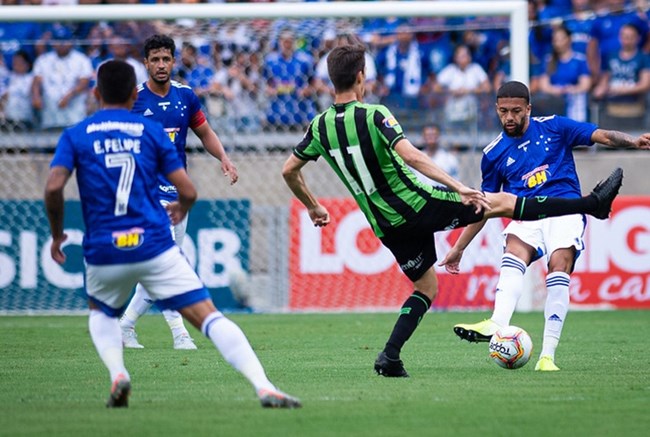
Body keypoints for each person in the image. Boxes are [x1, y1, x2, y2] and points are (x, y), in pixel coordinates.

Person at [281, 44, 624, 378]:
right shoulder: (374, 114)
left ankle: (390, 356)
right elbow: (411, 155)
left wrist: (312, 205)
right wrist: (457, 186)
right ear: (361, 76)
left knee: (426, 288)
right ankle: (589, 204)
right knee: (501, 202)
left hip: (385, 225)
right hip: (418, 203)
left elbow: (289, 170)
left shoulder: (319, 126)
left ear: (330, 79)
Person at [43, 60, 300, 409]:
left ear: (96, 93)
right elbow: (188, 190)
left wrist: (57, 235)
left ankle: (118, 372)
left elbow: (53, 188)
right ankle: (263, 385)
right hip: (152, 243)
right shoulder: (150, 132)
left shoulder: (75, 135)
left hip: (103, 248)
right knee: (210, 317)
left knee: (101, 313)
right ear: (134, 94)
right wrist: (183, 206)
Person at [440, 80, 650, 372]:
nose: (509, 117)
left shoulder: (555, 127)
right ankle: (497, 322)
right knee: (513, 251)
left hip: (565, 212)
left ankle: (547, 357)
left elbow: (601, 135)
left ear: (528, 108)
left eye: (516, 111)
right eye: (503, 111)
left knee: (559, 266)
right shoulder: (493, 153)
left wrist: (634, 142)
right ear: (496, 109)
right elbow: (486, 205)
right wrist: (459, 248)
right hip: (527, 216)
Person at [119, 34, 238, 350]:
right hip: (146, 194)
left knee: (161, 266)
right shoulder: (133, 100)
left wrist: (224, 158)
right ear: (146, 63)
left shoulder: (185, 96)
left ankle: (125, 326)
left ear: (173, 61)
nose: (161, 65)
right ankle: (180, 333)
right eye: (155, 59)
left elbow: (205, 132)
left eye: (165, 59)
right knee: (168, 264)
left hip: (177, 194)